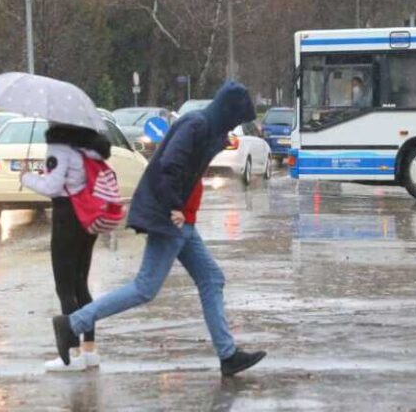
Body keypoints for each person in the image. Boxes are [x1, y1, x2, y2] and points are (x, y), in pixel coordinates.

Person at [51, 81, 267, 376]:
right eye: (237, 119)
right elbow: (168, 166)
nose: (236, 126)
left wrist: (181, 209)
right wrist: (174, 206)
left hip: (182, 220)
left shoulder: (205, 126)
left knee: (212, 279)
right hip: (171, 219)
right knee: (144, 288)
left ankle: (228, 356)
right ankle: (72, 324)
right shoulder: (197, 125)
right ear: (229, 111)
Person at [21, 122, 112, 372]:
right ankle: (90, 350)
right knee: (81, 282)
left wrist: (26, 178)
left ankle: (71, 355)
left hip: (66, 217)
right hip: (88, 216)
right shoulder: (89, 147)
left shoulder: (59, 147)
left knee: (65, 286)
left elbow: (53, 187)